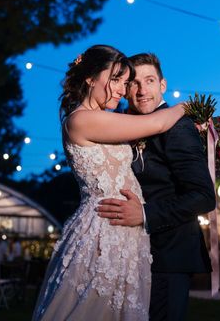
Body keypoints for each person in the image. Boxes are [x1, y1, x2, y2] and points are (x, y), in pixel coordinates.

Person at [32, 45, 187, 321]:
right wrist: (188, 108)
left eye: (124, 82)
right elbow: (157, 124)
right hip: (103, 233)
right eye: (115, 79)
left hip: (126, 230)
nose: (122, 89)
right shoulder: (81, 119)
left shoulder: (106, 117)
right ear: (91, 78)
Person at [96, 53, 215, 321]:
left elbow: (204, 197)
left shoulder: (178, 127)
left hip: (169, 254)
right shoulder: (127, 125)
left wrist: (146, 214)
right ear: (126, 89)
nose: (141, 91)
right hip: (133, 252)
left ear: (163, 85)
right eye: (134, 83)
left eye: (149, 81)